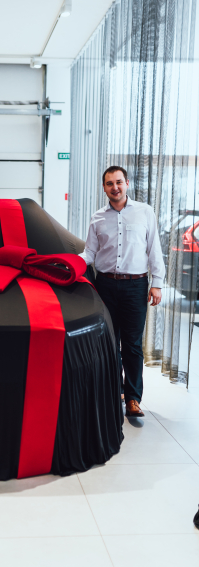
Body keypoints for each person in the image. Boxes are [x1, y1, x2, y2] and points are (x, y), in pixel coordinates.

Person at [80, 166, 165, 418]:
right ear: (104, 187)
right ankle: (114, 390)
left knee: (132, 344)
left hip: (135, 286)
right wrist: (70, 263)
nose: (115, 187)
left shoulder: (144, 212)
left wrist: (157, 282)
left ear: (127, 183)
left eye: (119, 182)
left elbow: (154, 249)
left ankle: (133, 398)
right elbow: (89, 253)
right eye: (109, 184)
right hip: (105, 286)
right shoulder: (97, 217)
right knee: (109, 343)